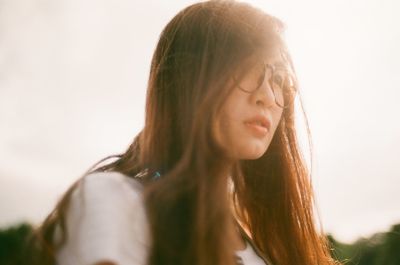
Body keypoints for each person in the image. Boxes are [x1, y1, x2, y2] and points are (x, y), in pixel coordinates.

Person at [26, 1, 338, 265]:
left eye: (279, 78)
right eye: (250, 68)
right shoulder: (115, 202)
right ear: (191, 78)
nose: (269, 96)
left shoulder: (268, 247)